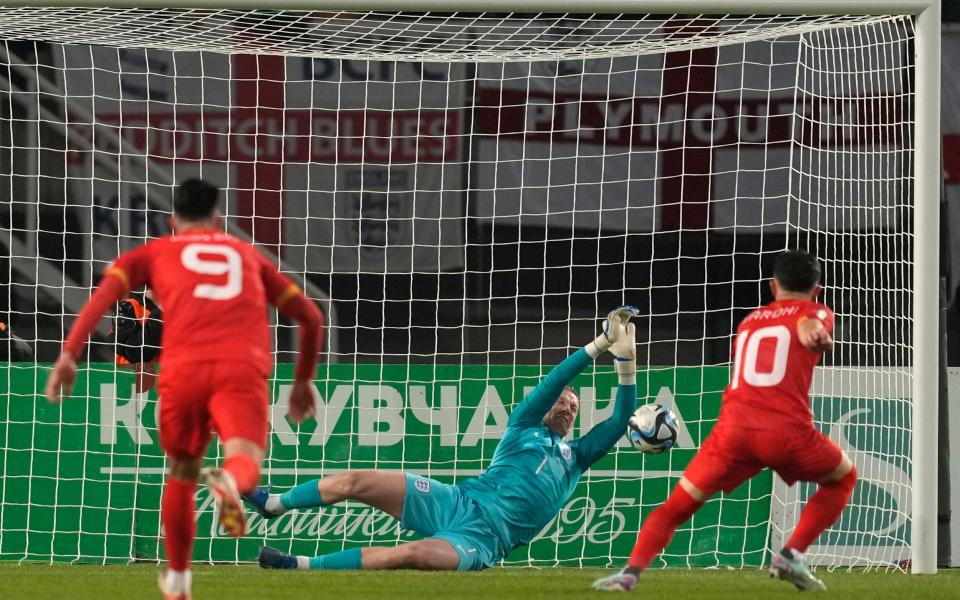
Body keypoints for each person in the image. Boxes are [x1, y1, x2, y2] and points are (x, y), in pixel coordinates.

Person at [44, 179, 325, 600]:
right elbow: (312, 317)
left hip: (182, 371)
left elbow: (102, 298)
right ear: (219, 218)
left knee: (181, 471)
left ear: (172, 219)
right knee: (242, 461)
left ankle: (177, 581)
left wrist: (68, 354)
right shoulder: (247, 256)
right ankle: (230, 481)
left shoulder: (156, 252)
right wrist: (302, 381)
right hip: (239, 369)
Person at [244, 306, 641, 572]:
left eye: (573, 406)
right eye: (561, 401)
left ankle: (297, 565)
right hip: (455, 501)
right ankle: (273, 503)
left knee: (411, 555)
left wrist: (627, 358)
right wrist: (600, 344)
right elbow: (556, 380)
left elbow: (622, 417)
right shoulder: (523, 426)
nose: (567, 406)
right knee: (356, 481)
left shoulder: (577, 457)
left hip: (484, 541)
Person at [593, 250, 857, 593]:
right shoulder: (815, 311)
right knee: (843, 477)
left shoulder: (750, 323)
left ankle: (629, 573)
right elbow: (810, 323)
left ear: (773, 287)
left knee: (675, 506)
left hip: (733, 432)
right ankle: (791, 553)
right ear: (817, 290)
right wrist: (813, 328)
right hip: (784, 432)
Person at [111, 290, 163, 393]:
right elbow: (136, 354)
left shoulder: (186, 309)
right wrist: (162, 312)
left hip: (174, 386)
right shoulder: (128, 306)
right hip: (132, 390)